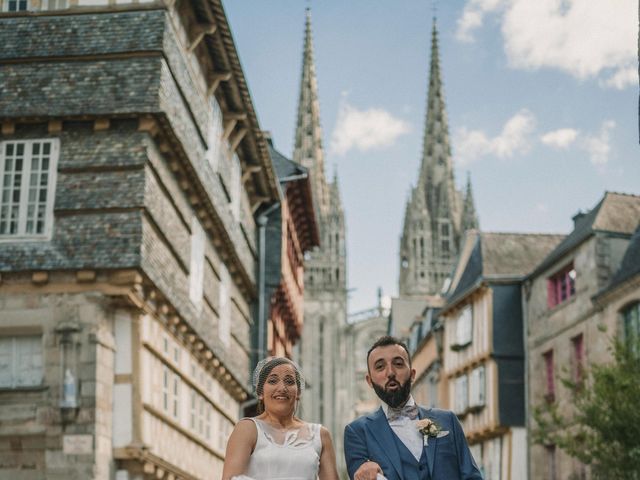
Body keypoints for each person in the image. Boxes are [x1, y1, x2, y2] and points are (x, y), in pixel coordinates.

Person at [344, 336, 483, 480]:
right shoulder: (357, 433)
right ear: (369, 381)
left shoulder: (447, 420)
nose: (390, 372)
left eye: (398, 364)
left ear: (412, 374)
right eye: (380, 367)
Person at [222, 357, 339, 480]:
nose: (282, 388)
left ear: (298, 392)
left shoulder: (320, 435)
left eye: (289, 382)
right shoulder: (248, 429)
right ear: (260, 392)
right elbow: (230, 478)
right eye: (273, 381)